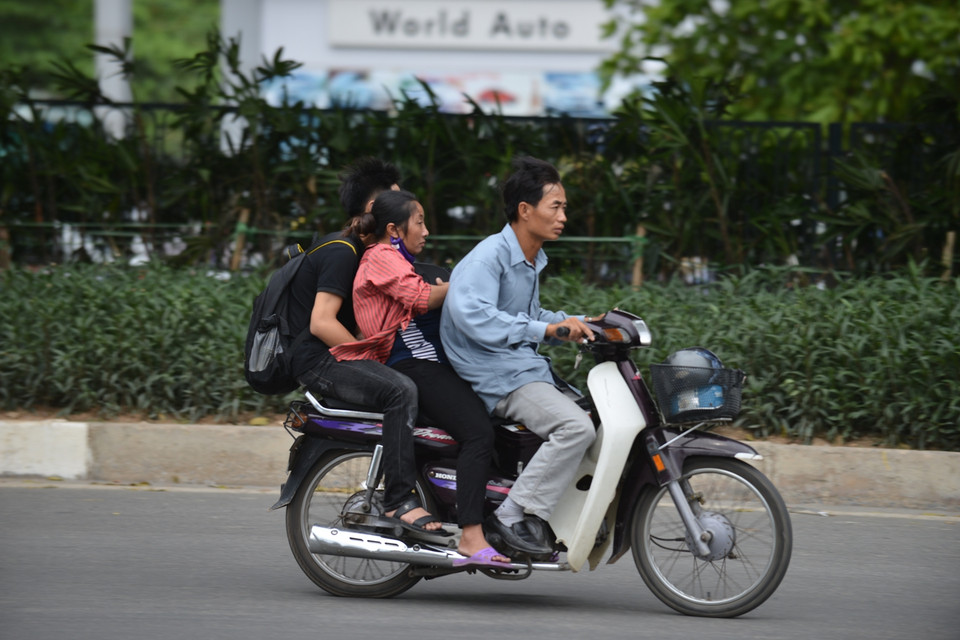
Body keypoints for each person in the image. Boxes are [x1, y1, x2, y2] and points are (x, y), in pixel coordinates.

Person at [331, 189, 510, 568]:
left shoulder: (398, 259)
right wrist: (476, 281)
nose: (426, 231)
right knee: (478, 433)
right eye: (420, 222)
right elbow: (421, 298)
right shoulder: (381, 256)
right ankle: (471, 536)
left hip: (429, 365)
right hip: (411, 366)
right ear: (394, 230)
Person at [439, 156, 601, 557]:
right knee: (576, 428)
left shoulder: (528, 259)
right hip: (495, 373)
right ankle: (513, 515)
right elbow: (472, 315)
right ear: (525, 211)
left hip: (519, 367)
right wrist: (546, 330)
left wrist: (572, 321)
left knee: (598, 420)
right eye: (556, 206)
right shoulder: (488, 256)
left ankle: (550, 514)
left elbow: (525, 316)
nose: (564, 215)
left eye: (564, 207)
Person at [287, 157, 446, 535]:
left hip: (335, 356)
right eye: (400, 200)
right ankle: (398, 500)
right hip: (319, 361)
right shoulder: (345, 251)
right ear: (378, 211)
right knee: (399, 388)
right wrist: (375, 359)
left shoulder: (374, 255)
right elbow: (322, 321)